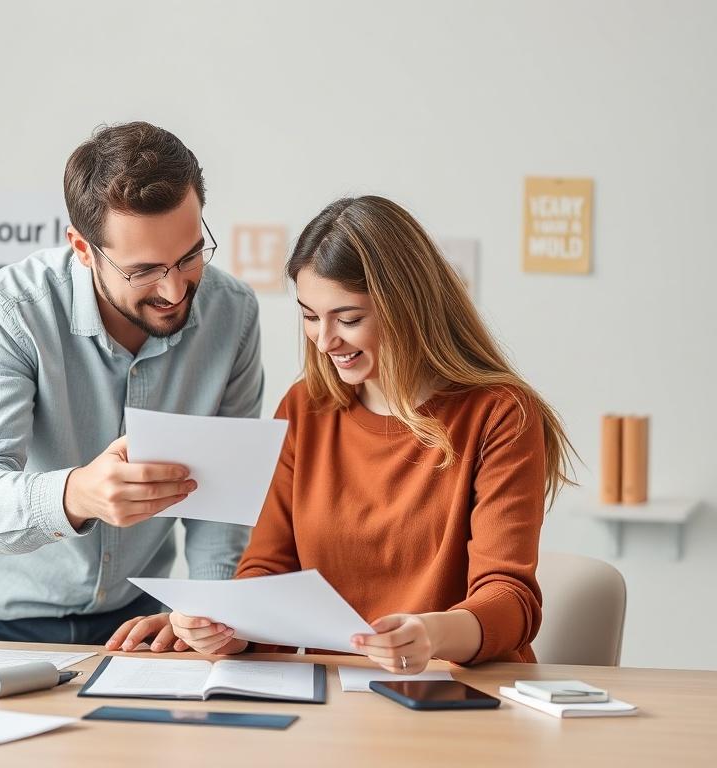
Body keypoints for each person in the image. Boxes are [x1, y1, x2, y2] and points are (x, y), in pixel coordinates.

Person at [170, 195, 575, 672]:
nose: (325, 340)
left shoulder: (500, 414)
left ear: (407, 308)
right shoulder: (304, 408)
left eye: (349, 319)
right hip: (335, 694)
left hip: (459, 688)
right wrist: (226, 629)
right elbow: (268, 571)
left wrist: (432, 635)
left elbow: (509, 600)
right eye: (309, 316)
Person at [0, 122, 262, 649]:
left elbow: (218, 500)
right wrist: (76, 493)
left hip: (132, 614)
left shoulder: (232, 313)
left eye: (190, 256)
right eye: (144, 271)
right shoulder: (8, 312)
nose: (175, 290)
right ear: (82, 248)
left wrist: (208, 611)